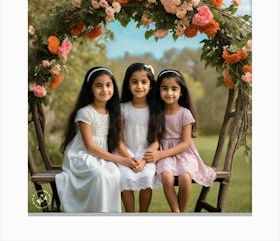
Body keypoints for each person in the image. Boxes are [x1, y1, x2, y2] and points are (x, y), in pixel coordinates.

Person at [55, 66, 137, 213]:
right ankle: (94, 212)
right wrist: (121, 161)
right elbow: (90, 147)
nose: (104, 90)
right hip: (82, 155)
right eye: (99, 86)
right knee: (98, 174)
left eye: (108, 85)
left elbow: (117, 141)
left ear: (113, 87)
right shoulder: (85, 112)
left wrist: (130, 159)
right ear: (90, 89)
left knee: (115, 174)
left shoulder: (114, 112)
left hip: (102, 156)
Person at [144, 69, 216, 212]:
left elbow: (184, 143)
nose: (169, 93)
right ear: (158, 91)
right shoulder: (157, 113)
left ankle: (182, 212)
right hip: (164, 153)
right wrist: (155, 153)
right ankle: (175, 211)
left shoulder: (185, 113)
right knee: (166, 177)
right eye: (164, 88)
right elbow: (156, 138)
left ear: (181, 92)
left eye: (174, 89)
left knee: (185, 177)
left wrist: (160, 155)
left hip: (184, 153)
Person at [117, 63, 163, 212]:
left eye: (144, 82)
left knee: (147, 176)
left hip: (146, 154)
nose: (139, 86)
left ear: (150, 85)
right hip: (125, 153)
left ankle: (143, 214)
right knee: (124, 177)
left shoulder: (154, 110)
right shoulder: (123, 108)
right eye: (134, 82)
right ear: (128, 84)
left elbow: (156, 141)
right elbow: (118, 140)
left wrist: (144, 160)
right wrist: (128, 159)